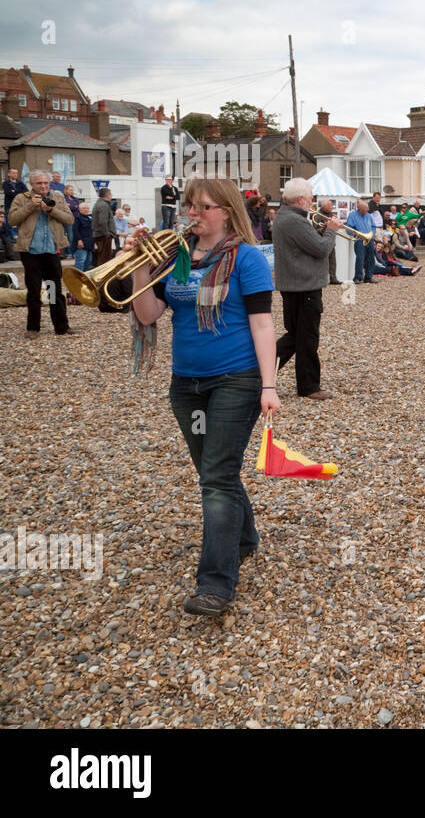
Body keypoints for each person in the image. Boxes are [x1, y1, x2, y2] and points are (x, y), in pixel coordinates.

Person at [124, 176, 278, 617]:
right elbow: (149, 311)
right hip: (186, 384)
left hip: (236, 380)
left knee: (215, 477)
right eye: (189, 206)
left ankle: (215, 584)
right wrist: (139, 262)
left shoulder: (247, 259)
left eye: (202, 207)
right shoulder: (175, 258)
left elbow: (263, 324)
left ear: (226, 211)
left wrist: (269, 386)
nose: (192, 214)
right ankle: (244, 537)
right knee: (216, 472)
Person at [273, 178, 342, 401]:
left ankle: (257, 373)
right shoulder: (295, 220)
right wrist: (331, 231)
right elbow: (322, 249)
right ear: (301, 199)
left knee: (295, 337)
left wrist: (321, 230)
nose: (312, 202)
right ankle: (309, 386)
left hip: (294, 285)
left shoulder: (286, 217)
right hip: (304, 287)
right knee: (307, 338)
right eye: (310, 197)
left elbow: (307, 245)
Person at [9, 171, 74, 336]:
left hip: (51, 251)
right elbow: (12, 220)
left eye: (46, 182)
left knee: (54, 290)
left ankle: (61, 327)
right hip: (30, 252)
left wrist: (51, 210)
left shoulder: (57, 197)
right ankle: (33, 328)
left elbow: (69, 219)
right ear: (32, 184)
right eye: (39, 183)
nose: (43, 186)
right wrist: (31, 205)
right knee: (33, 291)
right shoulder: (21, 198)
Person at [345, 199, 374, 283]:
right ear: (360, 209)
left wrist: (372, 234)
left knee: (371, 259)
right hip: (359, 240)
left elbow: (373, 227)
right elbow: (349, 228)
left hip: (370, 240)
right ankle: (358, 277)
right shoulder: (352, 215)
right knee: (360, 259)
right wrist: (355, 235)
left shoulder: (368, 216)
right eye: (366, 208)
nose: (368, 210)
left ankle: (368, 277)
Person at [72, 202, 94, 273]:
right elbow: (75, 230)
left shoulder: (90, 218)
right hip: (81, 244)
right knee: (80, 262)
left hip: (89, 244)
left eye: (87, 208)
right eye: (84, 208)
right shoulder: (77, 218)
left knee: (88, 263)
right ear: (80, 209)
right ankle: (76, 279)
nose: (86, 210)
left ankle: (84, 280)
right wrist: (79, 240)